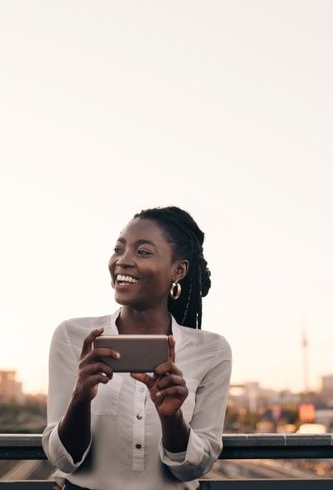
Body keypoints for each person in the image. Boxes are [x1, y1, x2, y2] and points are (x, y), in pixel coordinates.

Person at [42, 206, 232, 490]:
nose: (123, 261)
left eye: (142, 252)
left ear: (177, 270)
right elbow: (63, 460)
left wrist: (172, 418)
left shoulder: (213, 350)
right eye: (119, 249)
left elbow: (198, 466)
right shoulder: (73, 336)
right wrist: (80, 397)